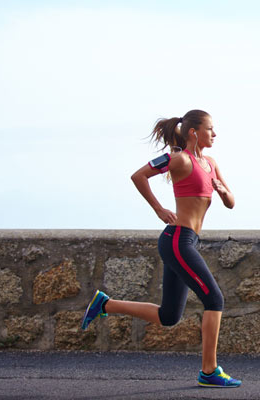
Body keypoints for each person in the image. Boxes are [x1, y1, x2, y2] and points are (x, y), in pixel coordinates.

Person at [80, 109, 241, 388]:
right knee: (214, 300)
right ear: (194, 132)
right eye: (210, 129)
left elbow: (231, 202)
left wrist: (222, 191)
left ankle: (105, 304)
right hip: (177, 239)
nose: (215, 134)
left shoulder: (212, 164)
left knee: (168, 316)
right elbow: (139, 176)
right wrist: (158, 208)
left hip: (187, 242)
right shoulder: (178, 159)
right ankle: (209, 371)